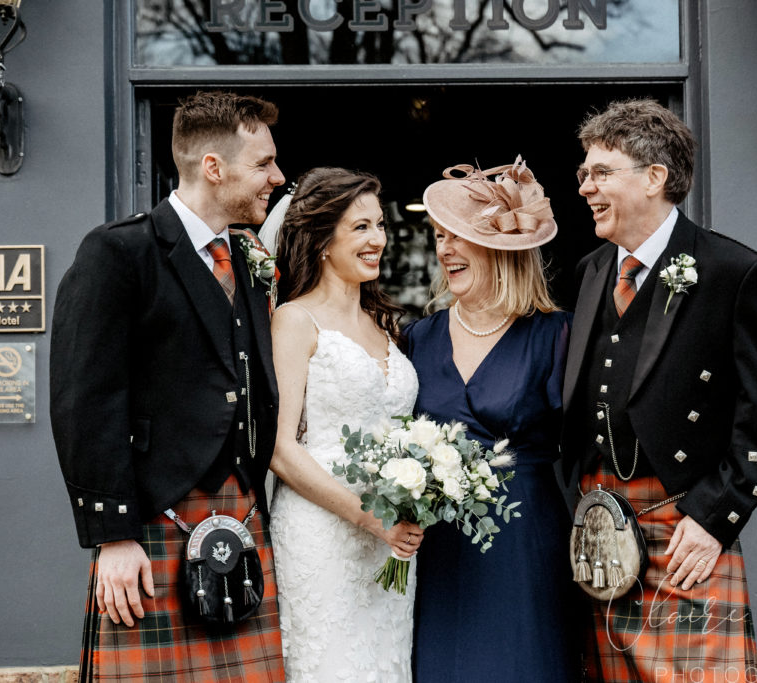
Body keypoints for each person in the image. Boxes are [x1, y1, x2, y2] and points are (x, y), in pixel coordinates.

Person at [50, 90, 287, 681]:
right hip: (155, 523)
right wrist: (114, 536)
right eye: (263, 164)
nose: (277, 178)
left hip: (238, 514)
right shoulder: (121, 252)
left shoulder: (249, 258)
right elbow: (87, 399)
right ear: (214, 166)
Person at [561, 98, 757, 682]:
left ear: (655, 178)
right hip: (600, 528)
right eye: (585, 172)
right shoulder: (589, 272)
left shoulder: (733, 273)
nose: (585, 185)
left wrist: (717, 518)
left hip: (682, 523)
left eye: (601, 172)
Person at [405, 158, 577, 682]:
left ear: (501, 248)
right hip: (438, 548)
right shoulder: (417, 338)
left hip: (524, 541)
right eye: (439, 236)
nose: (444, 249)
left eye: (457, 236)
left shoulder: (557, 335)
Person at [265, 167, 424, 682]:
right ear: (322, 240)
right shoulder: (294, 319)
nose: (378, 238)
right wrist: (366, 518)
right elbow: (281, 450)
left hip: (389, 544)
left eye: (379, 225)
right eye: (360, 227)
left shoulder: (385, 326)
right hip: (323, 536)